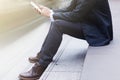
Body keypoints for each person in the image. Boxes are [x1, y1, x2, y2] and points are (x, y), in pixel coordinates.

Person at [19, 0, 113, 80]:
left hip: (98, 30)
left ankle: (41, 66)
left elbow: (75, 15)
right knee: (56, 21)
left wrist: (51, 14)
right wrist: (50, 11)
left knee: (57, 25)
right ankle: (42, 55)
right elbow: (69, 9)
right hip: (88, 23)